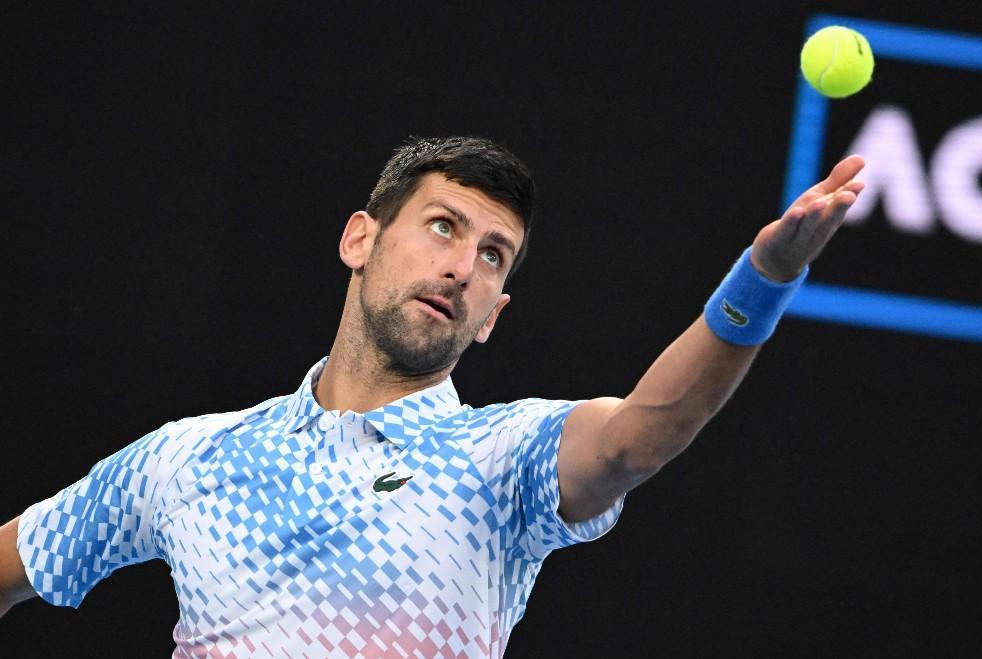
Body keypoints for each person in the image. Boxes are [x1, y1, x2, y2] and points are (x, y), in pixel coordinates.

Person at [0, 136, 865, 657]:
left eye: (494, 256)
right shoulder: (188, 457)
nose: (462, 265)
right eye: (445, 226)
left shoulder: (502, 461)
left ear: (494, 316)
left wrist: (769, 275)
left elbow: (643, 433)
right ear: (360, 239)